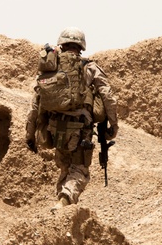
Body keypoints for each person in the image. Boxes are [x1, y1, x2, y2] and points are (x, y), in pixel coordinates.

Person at [25, 27, 118, 211]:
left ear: (62, 43)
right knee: (80, 171)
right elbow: (108, 96)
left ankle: (61, 212)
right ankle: (64, 201)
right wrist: (113, 126)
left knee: (65, 169)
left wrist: (29, 134)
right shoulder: (89, 67)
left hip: (54, 127)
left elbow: (35, 103)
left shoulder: (50, 69)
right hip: (79, 129)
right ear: (81, 46)